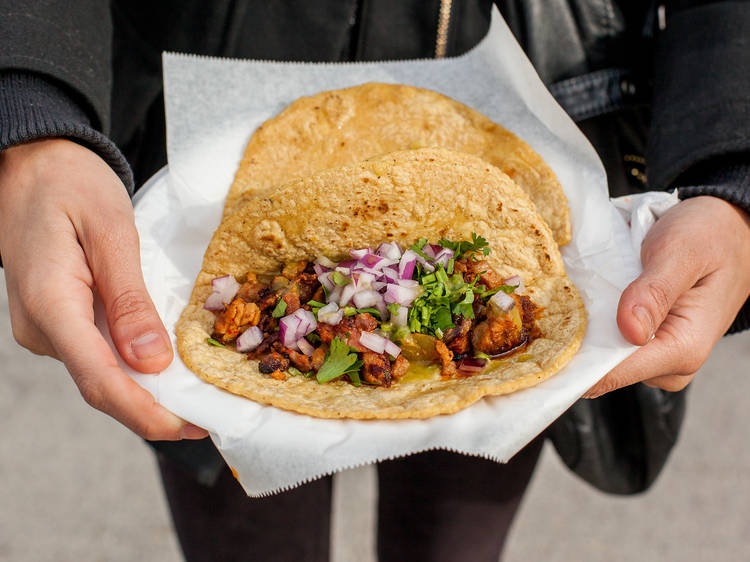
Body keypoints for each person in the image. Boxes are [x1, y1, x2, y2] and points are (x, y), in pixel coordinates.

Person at [1, 1, 748, 560]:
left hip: (537, 116)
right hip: (195, 152)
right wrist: (36, 97)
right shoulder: (196, 226)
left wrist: (733, 158)